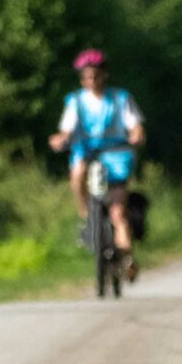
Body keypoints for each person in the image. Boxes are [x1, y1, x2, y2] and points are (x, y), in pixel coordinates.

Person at [46, 49, 144, 275]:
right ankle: (87, 215)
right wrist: (61, 139)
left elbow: (135, 125)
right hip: (87, 152)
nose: (92, 81)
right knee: (77, 172)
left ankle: (127, 257)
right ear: (82, 79)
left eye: (96, 76)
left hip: (116, 153)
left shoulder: (121, 98)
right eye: (87, 77)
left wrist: (137, 133)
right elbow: (67, 129)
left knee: (118, 212)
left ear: (104, 75)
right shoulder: (76, 101)